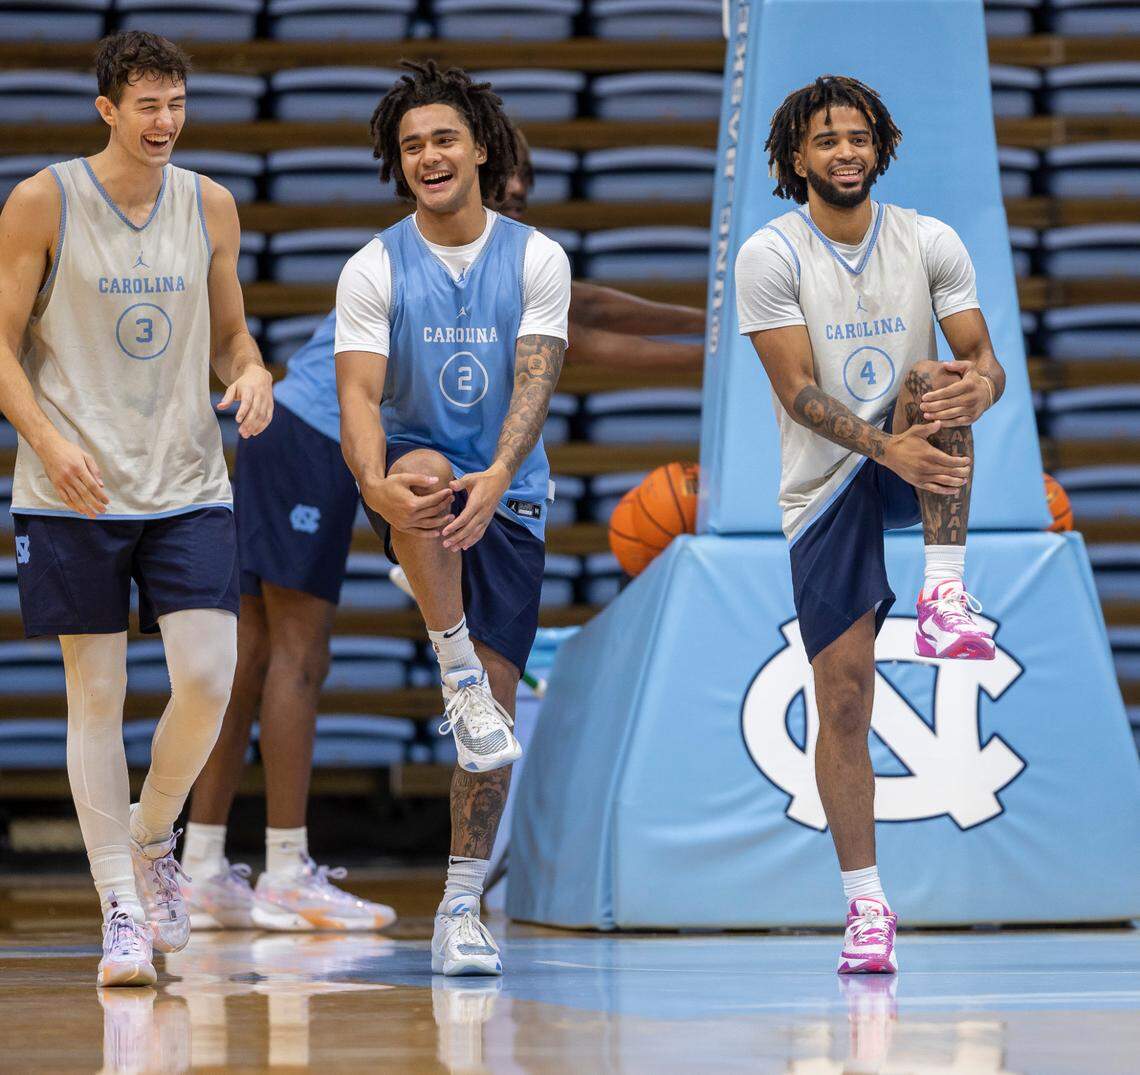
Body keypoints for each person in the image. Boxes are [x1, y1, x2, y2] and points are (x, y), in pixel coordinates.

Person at [179, 122, 703, 931]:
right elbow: (591, 315)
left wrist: (709, 335)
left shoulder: (509, 257)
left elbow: (580, 320)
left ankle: (205, 865)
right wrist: (716, 334)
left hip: (288, 435)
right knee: (295, 655)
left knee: (251, 654)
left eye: (526, 193)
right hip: (314, 431)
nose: (520, 204)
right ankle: (282, 869)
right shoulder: (428, 260)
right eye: (515, 192)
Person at [0, 31, 273, 986]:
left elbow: (232, 336)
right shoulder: (43, 200)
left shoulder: (210, 205)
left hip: (188, 479)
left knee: (208, 676)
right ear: (106, 110)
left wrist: (252, 375)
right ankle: (119, 902)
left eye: (177, 104)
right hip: (74, 488)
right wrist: (47, 440)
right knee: (97, 697)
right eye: (147, 105)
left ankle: (155, 834)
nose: (165, 122)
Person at [734, 76, 1006, 975]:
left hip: (908, 436)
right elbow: (797, 391)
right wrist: (892, 453)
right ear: (796, 157)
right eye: (826, 140)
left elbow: (983, 358)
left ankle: (943, 594)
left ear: (878, 147)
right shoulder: (771, 254)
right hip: (832, 469)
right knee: (844, 697)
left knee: (939, 377)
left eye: (858, 137)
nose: (844, 151)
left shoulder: (928, 238)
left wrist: (982, 385)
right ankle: (866, 907)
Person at [335, 59, 571, 977]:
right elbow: (358, 399)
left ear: (479, 148)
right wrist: (374, 482)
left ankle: (459, 904)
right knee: (424, 467)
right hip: (414, 482)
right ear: (401, 166)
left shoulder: (537, 256)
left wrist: (502, 471)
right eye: (411, 145)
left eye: (441, 138)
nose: (427, 156)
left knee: (499, 721)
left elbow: (535, 377)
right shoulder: (374, 265)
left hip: (508, 489)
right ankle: (453, 668)